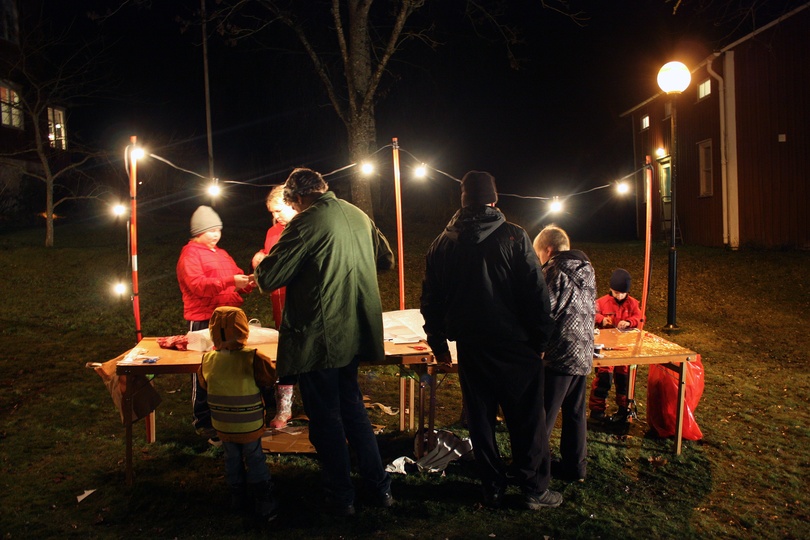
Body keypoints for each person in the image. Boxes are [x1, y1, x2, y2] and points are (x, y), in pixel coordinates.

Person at [253, 167, 395, 516]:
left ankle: (341, 495)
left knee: (326, 418)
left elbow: (269, 277)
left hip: (321, 336)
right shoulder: (358, 214)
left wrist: (261, 262)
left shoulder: (305, 223)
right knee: (353, 410)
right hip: (354, 331)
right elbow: (386, 260)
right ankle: (379, 490)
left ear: (298, 198)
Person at [420, 170, 562, 511]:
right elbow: (535, 294)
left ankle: (492, 487)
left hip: (472, 346)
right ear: (494, 200)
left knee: (481, 420)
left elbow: (431, 301)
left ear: (464, 201)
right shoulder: (514, 236)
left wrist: (439, 346)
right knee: (527, 418)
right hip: (517, 345)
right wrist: (541, 338)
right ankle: (533, 488)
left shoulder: (441, 244)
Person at [177, 205, 254, 443]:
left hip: (228, 317)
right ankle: (203, 420)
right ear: (197, 231)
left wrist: (249, 281)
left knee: (226, 368)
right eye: (210, 230)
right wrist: (230, 281)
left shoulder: (221, 253)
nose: (215, 234)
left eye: (218, 229)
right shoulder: (190, 255)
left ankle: (226, 414)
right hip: (203, 318)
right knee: (202, 370)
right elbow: (197, 285)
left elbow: (235, 274)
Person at [197, 306, 278, 521]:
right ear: (244, 329)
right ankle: (264, 501)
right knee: (255, 457)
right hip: (249, 423)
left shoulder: (207, 360)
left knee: (231, 457)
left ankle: (237, 498)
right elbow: (269, 379)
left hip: (222, 424)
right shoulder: (253, 358)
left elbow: (203, 384)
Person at [533, 225, 596, 483]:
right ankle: (575, 467)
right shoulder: (587, 269)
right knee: (575, 412)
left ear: (548, 250)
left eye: (539, 255)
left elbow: (543, 312)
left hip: (559, 353)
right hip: (583, 350)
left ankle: (535, 470)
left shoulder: (554, 270)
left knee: (544, 414)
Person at [252, 186, 299, 429]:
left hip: (300, 305)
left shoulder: (303, 229)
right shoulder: (273, 231)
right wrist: (261, 256)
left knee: (304, 358)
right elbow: (271, 254)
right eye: (272, 212)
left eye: (278, 210)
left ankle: (312, 406)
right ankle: (284, 409)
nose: (276, 216)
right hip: (279, 303)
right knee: (285, 357)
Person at [589, 268, 642, 422]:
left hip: (625, 348)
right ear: (611, 289)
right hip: (606, 348)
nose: (619, 296)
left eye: (622, 293)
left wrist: (630, 322)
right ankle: (597, 410)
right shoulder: (601, 302)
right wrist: (601, 319)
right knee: (604, 378)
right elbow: (591, 313)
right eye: (616, 292)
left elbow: (639, 317)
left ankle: (624, 409)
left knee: (624, 379)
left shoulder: (633, 304)